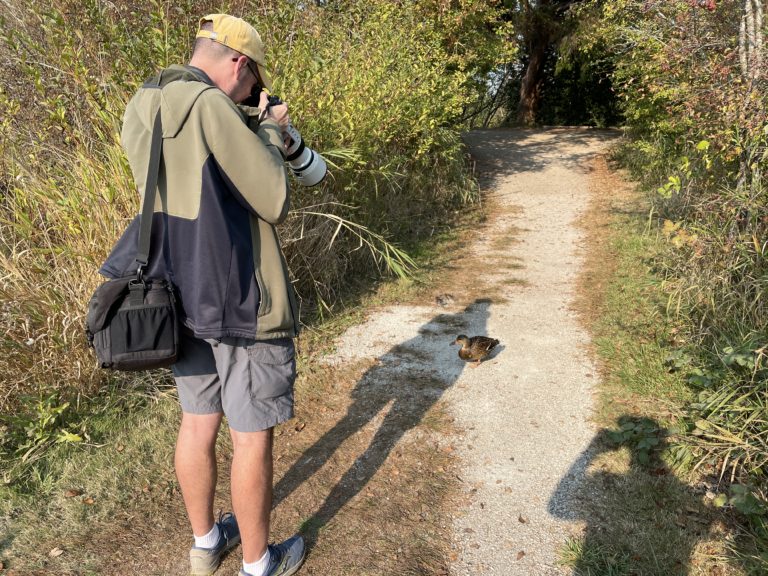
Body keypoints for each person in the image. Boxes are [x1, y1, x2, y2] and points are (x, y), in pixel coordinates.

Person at [99, 13, 305, 576]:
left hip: (176, 291)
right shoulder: (213, 106)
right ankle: (259, 564)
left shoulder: (143, 102)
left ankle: (206, 543)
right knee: (250, 435)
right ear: (239, 63)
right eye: (253, 79)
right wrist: (269, 130)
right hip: (237, 296)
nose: (251, 90)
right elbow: (273, 198)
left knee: (197, 420)